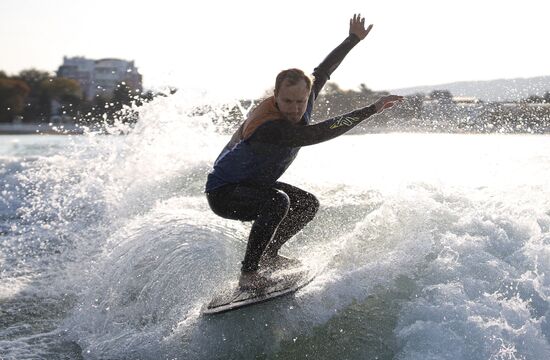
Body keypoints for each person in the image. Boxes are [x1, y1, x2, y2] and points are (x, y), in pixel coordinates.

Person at [205, 14, 403, 290]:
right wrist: (371, 109)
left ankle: (270, 257)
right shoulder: (269, 127)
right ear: (275, 95)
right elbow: (320, 132)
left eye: (300, 101)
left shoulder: (304, 98)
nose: (294, 108)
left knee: (306, 205)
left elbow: (323, 71)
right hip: (225, 193)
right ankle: (249, 274)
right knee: (277, 202)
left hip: (252, 184)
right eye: (287, 101)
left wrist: (352, 39)